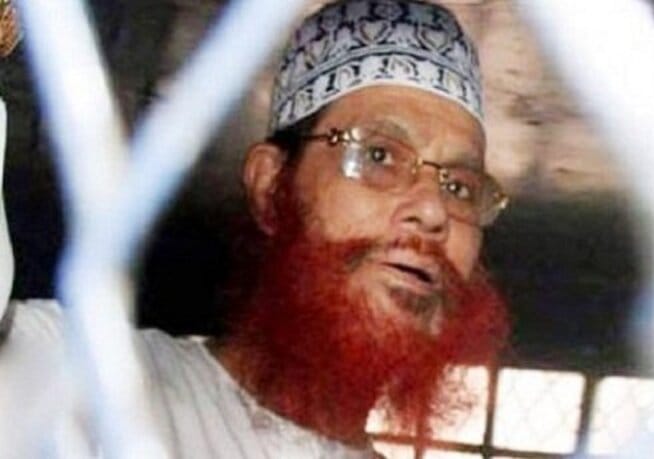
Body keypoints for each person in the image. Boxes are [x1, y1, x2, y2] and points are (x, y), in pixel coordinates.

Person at [0, 0, 509, 457]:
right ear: (272, 187)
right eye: (378, 155)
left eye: (460, 187)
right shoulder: (79, 378)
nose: (433, 210)